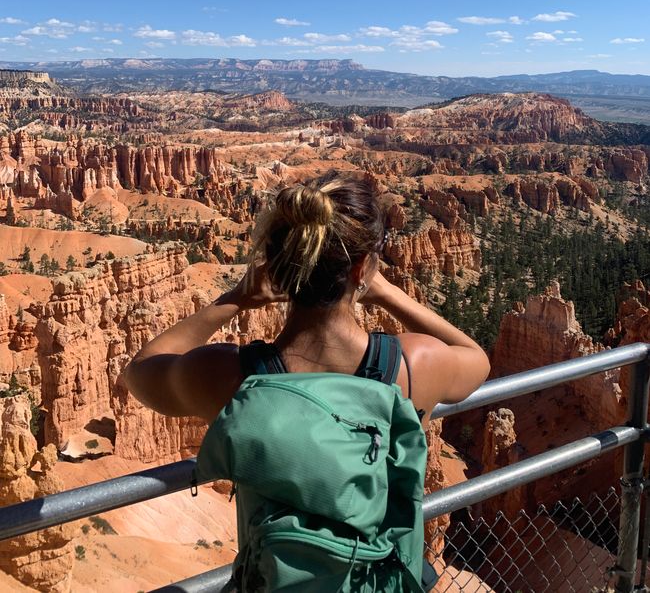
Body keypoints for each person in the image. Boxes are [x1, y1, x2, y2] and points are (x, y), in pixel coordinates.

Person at [123, 172, 490, 590]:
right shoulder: (411, 366)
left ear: (279, 266)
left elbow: (140, 371)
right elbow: (477, 360)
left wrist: (236, 298)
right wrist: (385, 291)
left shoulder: (232, 378)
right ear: (360, 266)